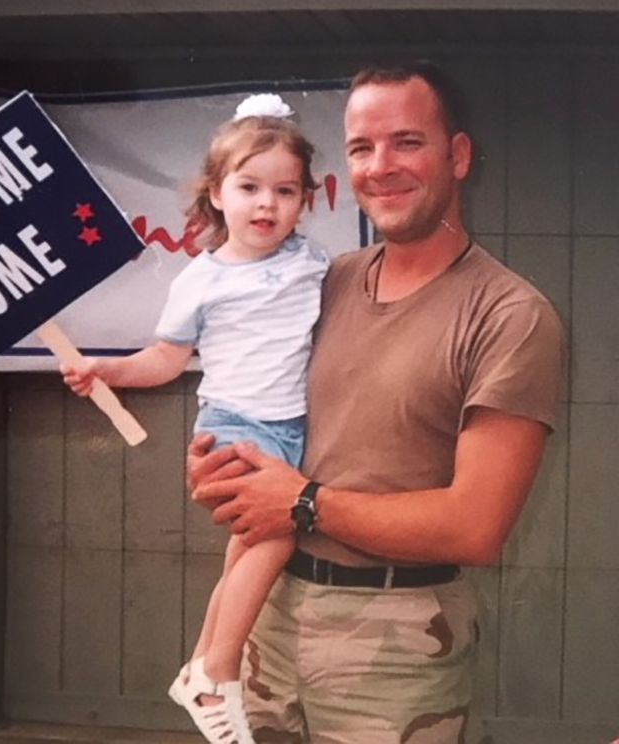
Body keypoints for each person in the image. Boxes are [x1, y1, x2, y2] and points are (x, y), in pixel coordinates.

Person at [187, 61, 565, 743]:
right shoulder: (319, 284)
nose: (380, 166)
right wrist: (221, 465)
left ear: (459, 156)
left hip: (396, 645)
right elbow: (258, 408)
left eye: (407, 142)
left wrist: (301, 502)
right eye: (362, 148)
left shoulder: (509, 315)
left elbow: (476, 526)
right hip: (264, 620)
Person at [62, 93, 329, 744]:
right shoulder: (201, 280)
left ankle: (198, 669)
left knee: (243, 554)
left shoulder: (315, 264)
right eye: (249, 187)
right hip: (236, 429)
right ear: (217, 192)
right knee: (276, 537)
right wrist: (110, 372)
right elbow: (165, 358)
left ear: (306, 199)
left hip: (293, 432)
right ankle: (219, 671)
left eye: (285, 190)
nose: (267, 204)